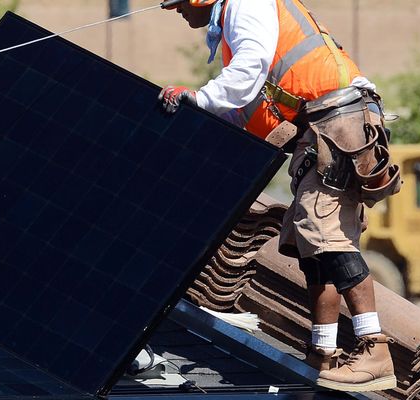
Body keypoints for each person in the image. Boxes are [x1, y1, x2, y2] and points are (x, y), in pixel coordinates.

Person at [157, 0, 401, 392]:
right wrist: (199, 120)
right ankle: (323, 353)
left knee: (325, 234)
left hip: (338, 121)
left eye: (178, 2)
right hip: (325, 125)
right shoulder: (235, 21)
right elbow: (246, 108)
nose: (175, 9)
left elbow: (249, 67)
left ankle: (375, 350)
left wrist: (200, 98)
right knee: (309, 239)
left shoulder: (245, 4)